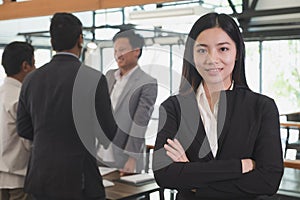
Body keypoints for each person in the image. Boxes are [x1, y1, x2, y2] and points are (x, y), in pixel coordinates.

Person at [153, 12, 283, 200]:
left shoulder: (262, 107)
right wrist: (240, 166)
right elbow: (164, 174)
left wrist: (192, 178)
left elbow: (269, 180)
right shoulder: (173, 108)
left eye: (222, 49)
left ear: (237, 53)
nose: (212, 59)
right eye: (202, 50)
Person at [16, 12, 117, 200]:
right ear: (80, 40)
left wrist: (49, 136)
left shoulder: (31, 79)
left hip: (40, 178)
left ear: (52, 42)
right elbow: (109, 131)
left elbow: (23, 128)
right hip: (80, 179)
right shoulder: (93, 78)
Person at [101, 30, 157, 174]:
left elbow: (140, 123)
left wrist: (132, 159)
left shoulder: (147, 82)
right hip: (99, 152)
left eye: (122, 50)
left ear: (136, 51)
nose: (117, 54)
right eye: (115, 50)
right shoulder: (108, 76)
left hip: (123, 156)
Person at [0, 41, 35, 200]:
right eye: (34, 64)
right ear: (25, 66)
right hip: (18, 176)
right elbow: (29, 138)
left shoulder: (3, 93)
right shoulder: (21, 98)